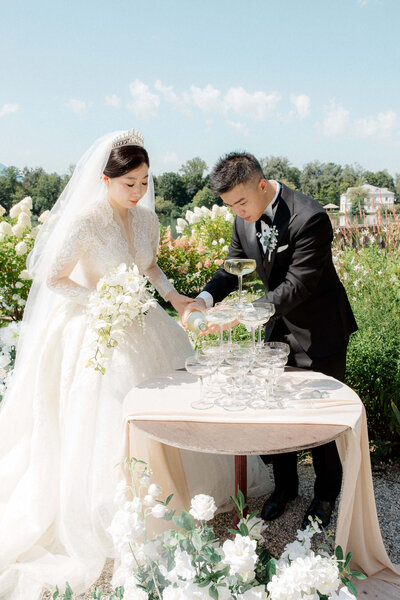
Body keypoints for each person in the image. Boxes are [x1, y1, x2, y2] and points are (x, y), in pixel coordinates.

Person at [0, 134, 270, 600]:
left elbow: (151, 268)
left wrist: (176, 298)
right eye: (128, 183)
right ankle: (118, 509)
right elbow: (53, 277)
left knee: (169, 398)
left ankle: (180, 494)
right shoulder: (85, 222)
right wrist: (102, 299)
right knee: (111, 412)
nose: (138, 191)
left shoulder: (146, 219)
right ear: (104, 180)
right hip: (97, 327)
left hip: (143, 321)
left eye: (144, 181)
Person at [183, 151, 358, 529]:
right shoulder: (242, 217)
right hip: (277, 328)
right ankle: (285, 489)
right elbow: (231, 268)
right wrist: (205, 300)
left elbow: (299, 284)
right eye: (230, 205)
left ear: (262, 185)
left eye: (241, 202)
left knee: (319, 423)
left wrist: (240, 315)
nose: (238, 211)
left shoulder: (309, 217)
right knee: (275, 410)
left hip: (320, 331)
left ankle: (326, 494)